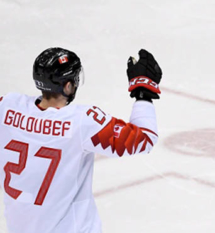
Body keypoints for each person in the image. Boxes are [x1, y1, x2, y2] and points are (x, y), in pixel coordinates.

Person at [0, 47, 162, 233]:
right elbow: (144, 139)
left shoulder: (7, 107)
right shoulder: (82, 122)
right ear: (67, 86)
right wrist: (143, 93)